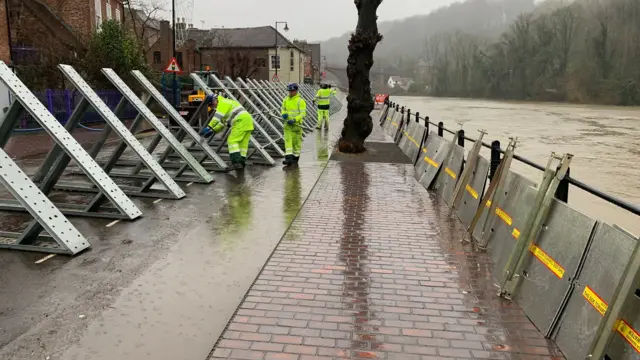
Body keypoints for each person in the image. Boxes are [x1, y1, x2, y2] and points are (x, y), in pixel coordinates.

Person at [199, 94, 254, 170]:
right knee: (242, 144)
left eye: (212, 105)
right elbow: (222, 123)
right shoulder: (227, 102)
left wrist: (208, 127)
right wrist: (212, 130)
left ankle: (236, 163)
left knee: (232, 141)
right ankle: (241, 162)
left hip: (240, 121)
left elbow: (216, 118)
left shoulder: (222, 103)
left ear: (215, 100)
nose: (212, 107)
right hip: (247, 122)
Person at [281, 83, 307, 166]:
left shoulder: (300, 101)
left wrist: (295, 119)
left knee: (296, 143)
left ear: (296, 91)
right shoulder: (285, 99)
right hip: (287, 125)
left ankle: (295, 158)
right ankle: (288, 158)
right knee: (288, 141)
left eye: (292, 91)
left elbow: (303, 114)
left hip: (296, 125)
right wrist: (284, 114)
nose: (290, 93)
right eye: (289, 91)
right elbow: (283, 109)